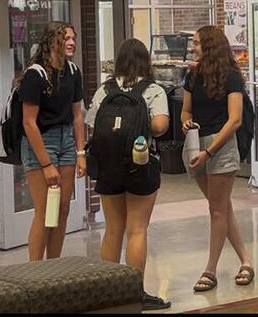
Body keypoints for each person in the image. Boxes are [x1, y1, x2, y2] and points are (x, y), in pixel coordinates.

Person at [85, 38, 171, 311]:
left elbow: (92, 124)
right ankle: (134, 294)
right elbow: (159, 126)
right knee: (137, 230)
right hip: (140, 163)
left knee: (112, 230)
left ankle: (107, 293)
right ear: (146, 61)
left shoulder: (104, 90)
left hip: (108, 166)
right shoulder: (153, 90)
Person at [181, 25, 254, 292]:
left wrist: (209, 152)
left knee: (216, 209)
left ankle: (210, 270)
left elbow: (235, 119)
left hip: (220, 145)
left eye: (197, 43)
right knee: (221, 207)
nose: (193, 48)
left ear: (210, 45)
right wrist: (186, 123)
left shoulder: (231, 76)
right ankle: (246, 261)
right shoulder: (192, 75)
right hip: (196, 144)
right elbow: (186, 110)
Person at [18, 22, 86, 261]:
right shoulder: (35, 75)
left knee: (62, 209)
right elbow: (29, 122)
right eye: (65, 38)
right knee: (46, 209)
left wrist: (80, 153)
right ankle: (35, 271)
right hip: (40, 140)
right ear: (51, 42)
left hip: (66, 139)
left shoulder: (73, 72)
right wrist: (46, 164)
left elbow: (78, 114)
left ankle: (54, 265)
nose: (71, 43)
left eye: (73, 38)